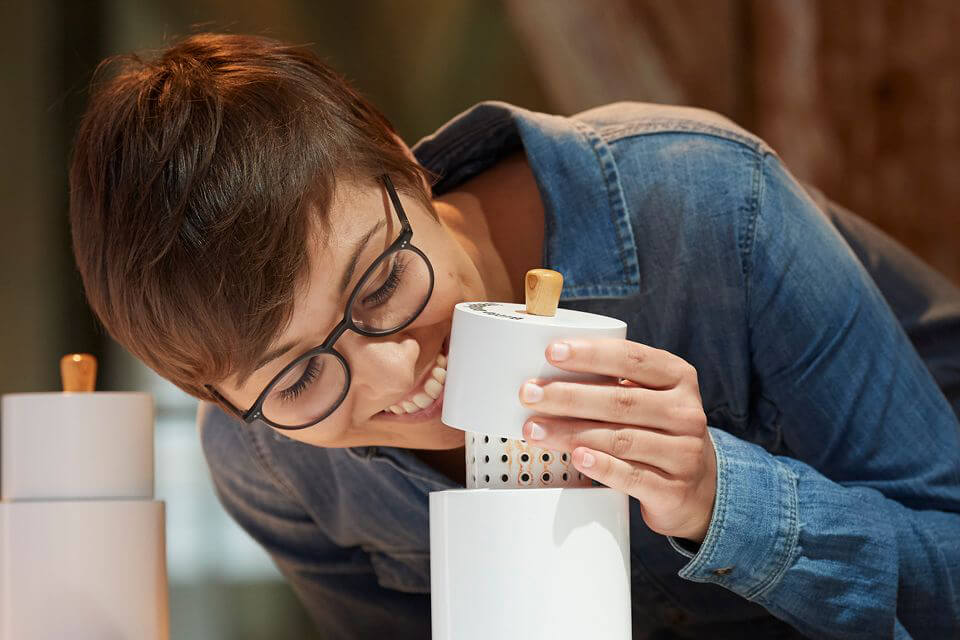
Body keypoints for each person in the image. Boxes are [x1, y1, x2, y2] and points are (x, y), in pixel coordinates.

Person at [68, 33, 960, 639]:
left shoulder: (702, 210)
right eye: (300, 379)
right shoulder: (269, 462)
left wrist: (723, 495)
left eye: (381, 280)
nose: (394, 370)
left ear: (398, 159)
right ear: (218, 401)